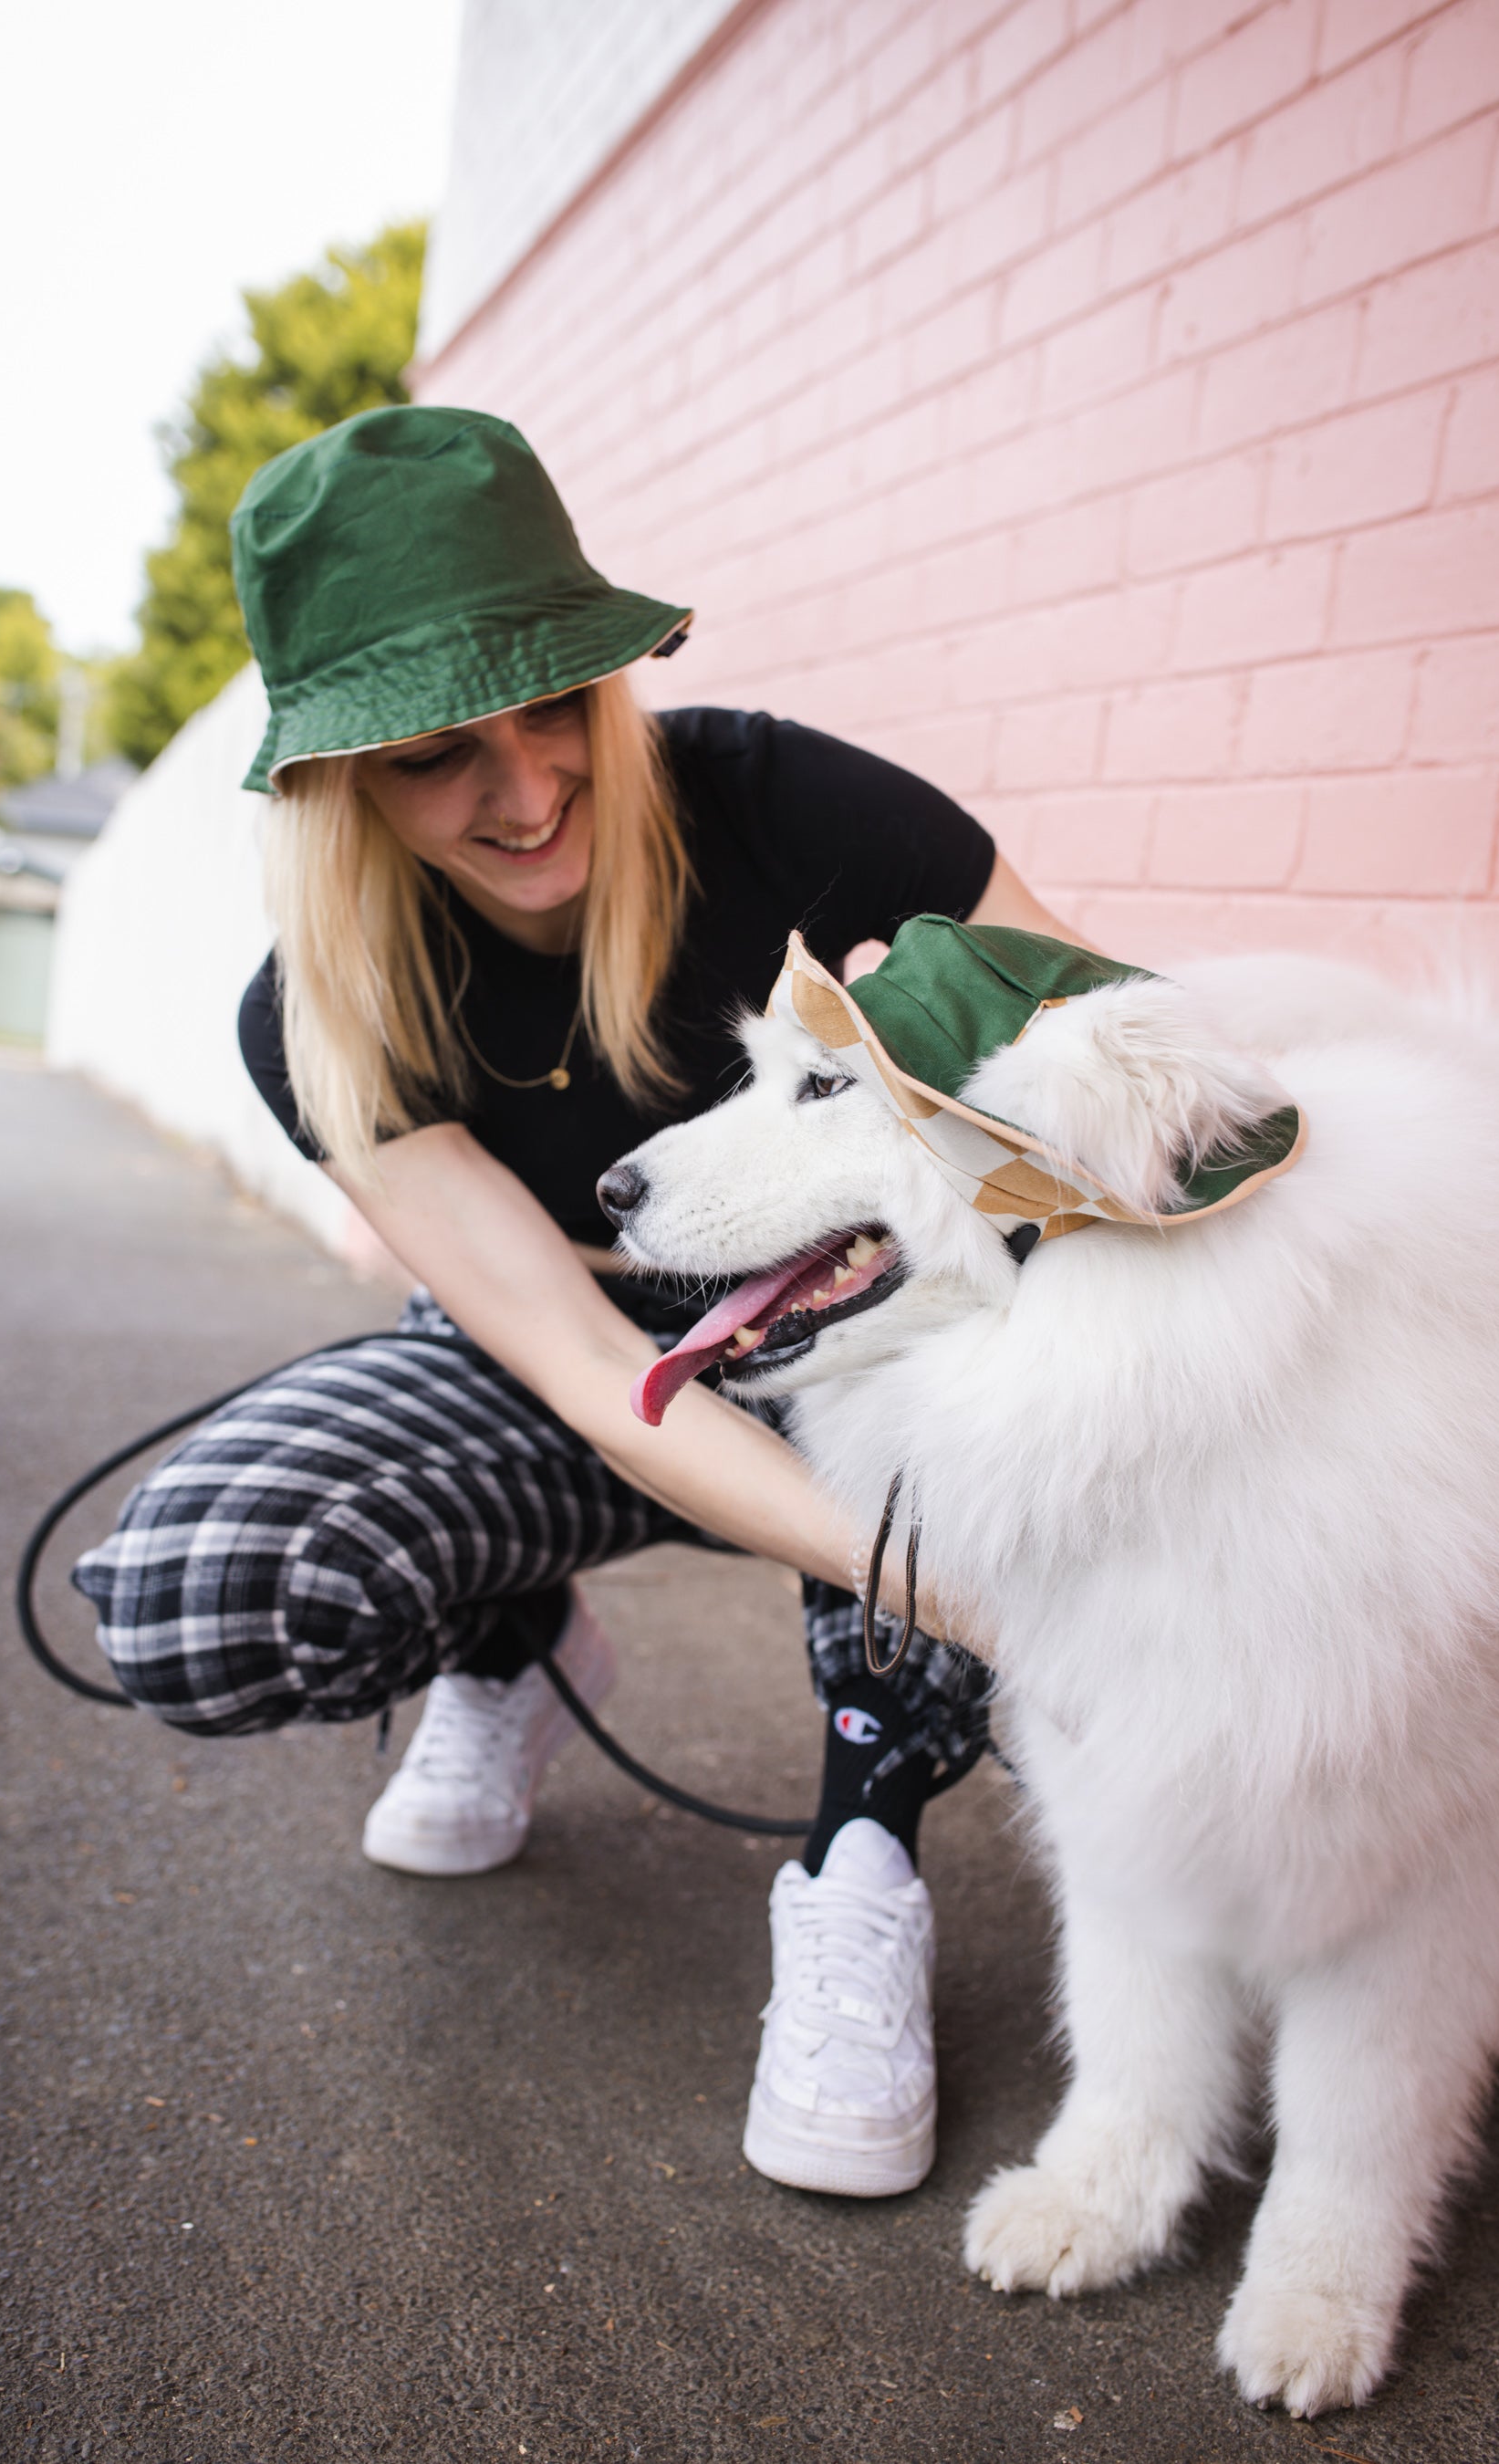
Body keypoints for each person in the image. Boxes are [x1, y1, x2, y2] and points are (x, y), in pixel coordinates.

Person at [72, 406, 1086, 2202]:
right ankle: (509, 1645)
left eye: (556, 705)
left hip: (880, 1319)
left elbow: (1086, 1106)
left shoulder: (788, 806)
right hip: (607, 1370)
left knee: (986, 1391)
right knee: (205, 1583)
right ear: (331, 778)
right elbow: (575, 1358)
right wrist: (975, 1599)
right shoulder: (313, 1011)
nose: (527, 790)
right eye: (435, 752)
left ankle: (861, 1854)